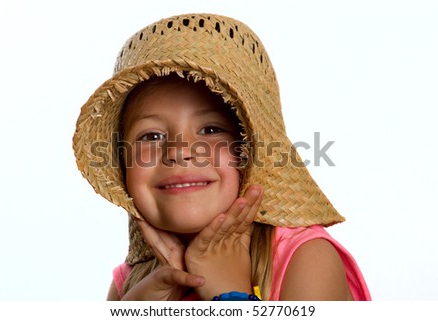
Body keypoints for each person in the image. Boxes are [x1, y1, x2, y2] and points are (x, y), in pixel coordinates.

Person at [73, 13, 371, 301]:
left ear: (252, 153)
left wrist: (231, 294)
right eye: (151, 136)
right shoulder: (130, 287)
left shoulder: (306, 259)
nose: (179, 152)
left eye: (211, 129)